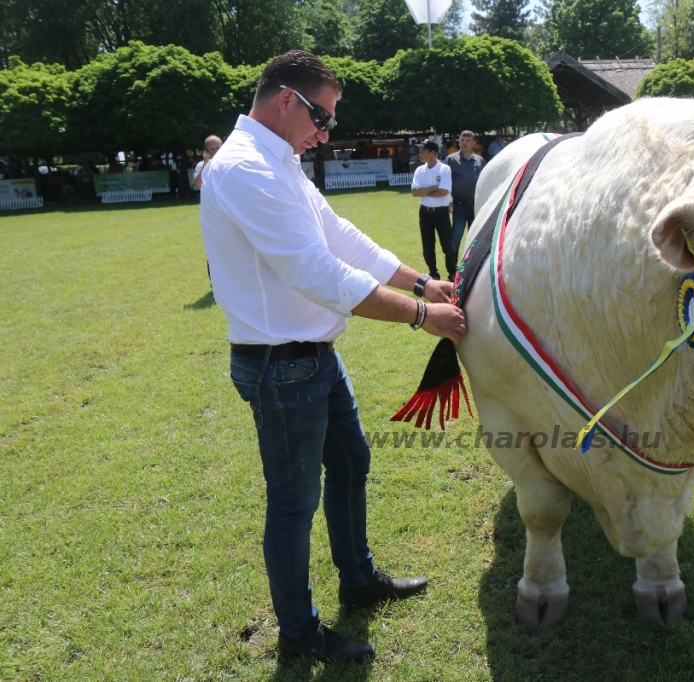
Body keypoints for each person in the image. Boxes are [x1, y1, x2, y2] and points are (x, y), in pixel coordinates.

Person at [200, 50, 467, 665]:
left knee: (351, 463)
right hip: (280, 363)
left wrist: (422, 281)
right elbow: (319, 273)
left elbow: (339, 234)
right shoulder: (246, 169)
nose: (327, 132)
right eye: (323, 117)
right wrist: (425, 316)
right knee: (293, 503)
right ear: (286, 100)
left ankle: (358, 577)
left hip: (311, 355)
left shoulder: (279, 161)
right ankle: (299, 633)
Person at [410, 140, 457, 280]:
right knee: (428, 246)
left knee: (447, 244)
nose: (419, 153)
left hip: (441, 212)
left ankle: (452, 272)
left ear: (432, 153)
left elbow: (443, 192)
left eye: (422, 151)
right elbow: (414, 192)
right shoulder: (420, 170)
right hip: (425, 212)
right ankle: (433, 273)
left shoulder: (444, 169)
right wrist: (433, 188)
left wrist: (423, 191)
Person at [444, 130, 485, 254]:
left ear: (473, 143)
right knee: (456, 237)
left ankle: (473, 267)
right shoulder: (451, 159)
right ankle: (452, 270)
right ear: (459, 142)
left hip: (476, 206)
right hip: (459, 206)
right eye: (462, 140)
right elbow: (445, 182)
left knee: (476, 238)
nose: (464, 143)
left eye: (467, 141)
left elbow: (484, 181)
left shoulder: (480, 160)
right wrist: (447, 200)